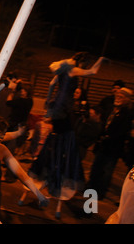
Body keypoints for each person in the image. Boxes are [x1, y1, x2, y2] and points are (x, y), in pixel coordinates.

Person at [29, 52, 106, 218]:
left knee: (57, 141)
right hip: (64, 110)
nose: (84, 67)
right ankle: (57, 178)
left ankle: (50, 173)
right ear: (81, 61)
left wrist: (48, 104)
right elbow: (92, 72)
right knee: (67, 141)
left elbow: (51, 84)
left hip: (57, 107)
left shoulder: (62, 70)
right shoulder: (73, 70)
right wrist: (101, 60)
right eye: (85, 63)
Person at [0, 115, 49, 215]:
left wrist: (38, 193)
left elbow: (20, 172)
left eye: (3, 133)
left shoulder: (2, 150)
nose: (2, 136)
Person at [87, 87, 133, 200]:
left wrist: (108, 137)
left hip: (113, 148)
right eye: (117, 96)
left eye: (121, 97)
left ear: (126, 99)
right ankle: (90, 188)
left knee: (107, 171)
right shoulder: (111, 110)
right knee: (96, 168)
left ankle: (100, 192)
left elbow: (122, 131)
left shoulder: (127, 114)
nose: (118, 98)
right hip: (102, 146)